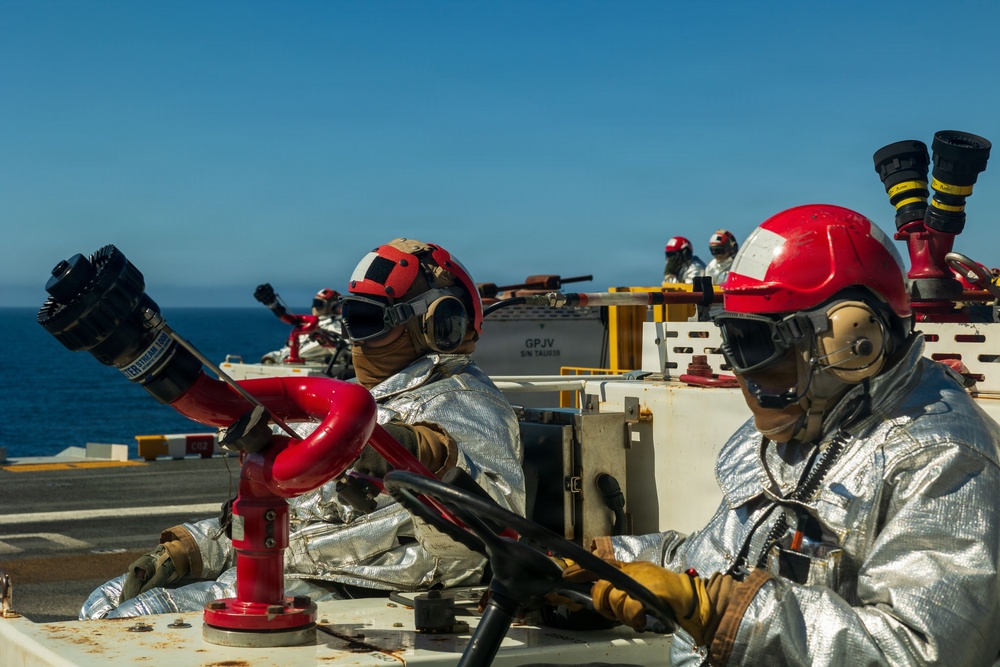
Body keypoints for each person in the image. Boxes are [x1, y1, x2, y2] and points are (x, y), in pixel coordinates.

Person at [568, 205, 1000, 666]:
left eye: (760, 347)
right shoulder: (805, 418)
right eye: (736, 344)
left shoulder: (940, 458)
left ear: (852, 340)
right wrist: (607, 560)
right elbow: (718, 560)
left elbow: (920, 651)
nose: (748, 375)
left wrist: (718, 611)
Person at [81, 237, 525, 619]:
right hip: (288, 574)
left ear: (438, 325)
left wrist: (430, 456)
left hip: (355, 591)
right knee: (101, 605)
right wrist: (191, 549)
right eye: (353, 320)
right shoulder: (364, 402)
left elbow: (487, 543)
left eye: (370, 322)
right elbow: (288, 511)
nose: (357, 338)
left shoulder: (464, 402)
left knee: (128, 622)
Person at [259, 287, 349, 366]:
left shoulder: (337, 326)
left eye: (318, 304)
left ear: (334, 307)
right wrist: (272, 357)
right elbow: (289, 350)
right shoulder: (309, 326)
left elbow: (345, 351)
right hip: (293, 365)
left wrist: (324, 338)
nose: (314, 306)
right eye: (314, 302)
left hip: (318, 368)